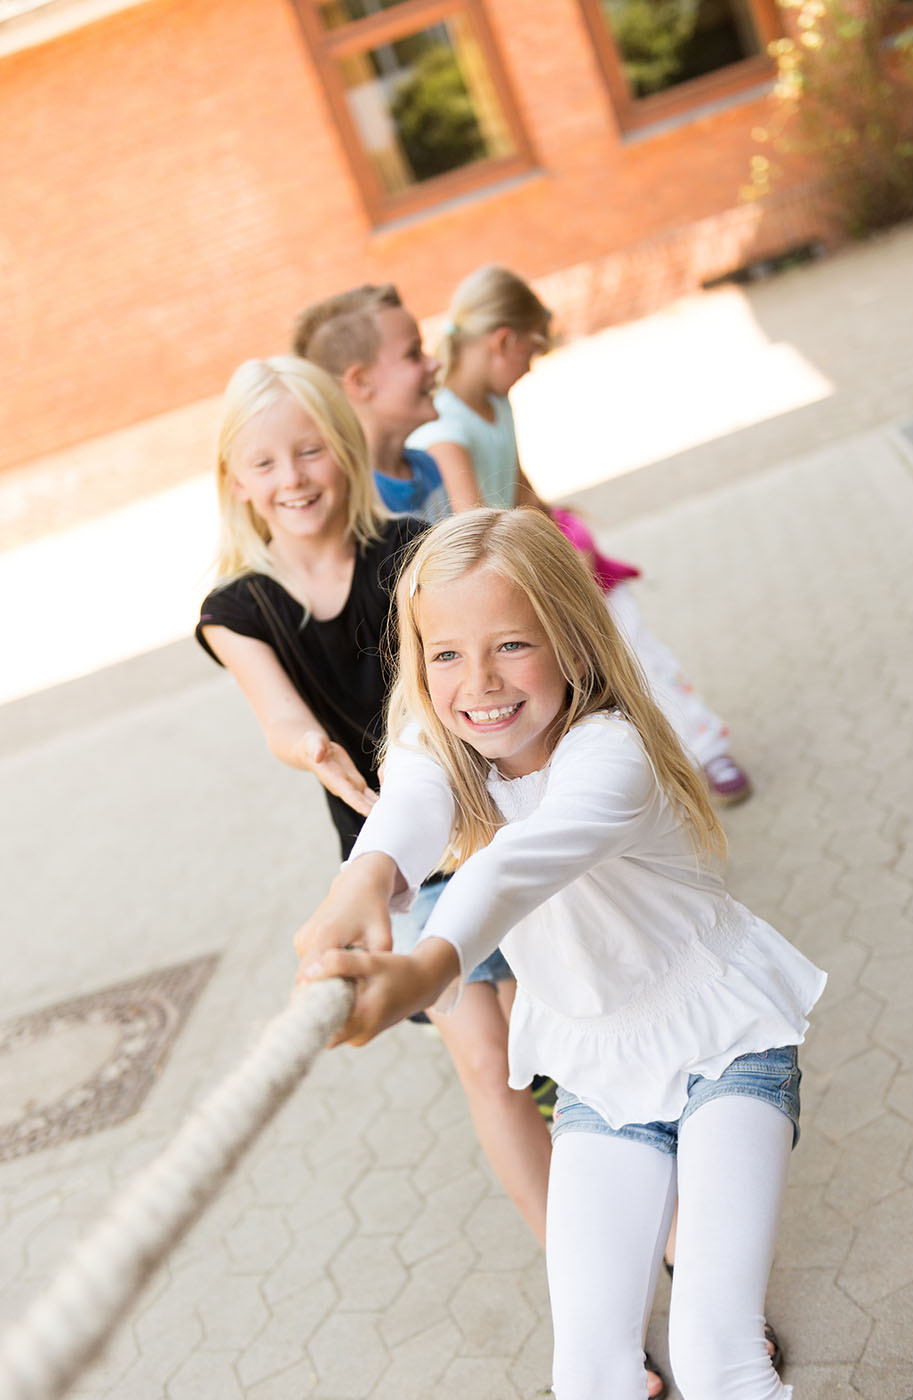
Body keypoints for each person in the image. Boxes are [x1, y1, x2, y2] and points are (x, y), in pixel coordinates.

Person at [295, 508, 826, 1400]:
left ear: (574, 646)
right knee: (588, 1372)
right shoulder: (443, 741)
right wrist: (361, 884)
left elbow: (513, 870)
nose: (479, 684)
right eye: (447, 654)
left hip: (724, 1042)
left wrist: (427, 969)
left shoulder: (609, 754)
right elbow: (409, 808)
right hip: (597, 1069)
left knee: (714, 1350)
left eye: (511, 645)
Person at [195, 357, 551, 1243]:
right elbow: (276, 711)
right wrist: (306, 746)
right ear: (235, 479)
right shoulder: (235, 609)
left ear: (344, 449)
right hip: (397, 863)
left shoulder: (407, 552)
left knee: (560, 1038)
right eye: (266, 462)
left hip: (502, 822)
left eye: (309, 451)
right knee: (485, 1059)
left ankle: (665, 1242)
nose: (292, 479)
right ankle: (574, 1261)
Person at [407, 264, 752, 805]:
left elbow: (518, 485)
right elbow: (473, 534)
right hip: (504, 586)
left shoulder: (496, 404)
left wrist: (567, 538)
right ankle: (687, 753)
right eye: (532, 350)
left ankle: (691, 749)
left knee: (626, 631)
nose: (530, 366)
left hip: (533, 561)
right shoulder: (446, 432)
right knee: (613, 643)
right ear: (503, 341)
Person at [292, 284, 449, 522]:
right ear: (361, 382)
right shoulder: (350, 502)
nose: (434, 364)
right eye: (413, 354)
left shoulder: (427, 467)